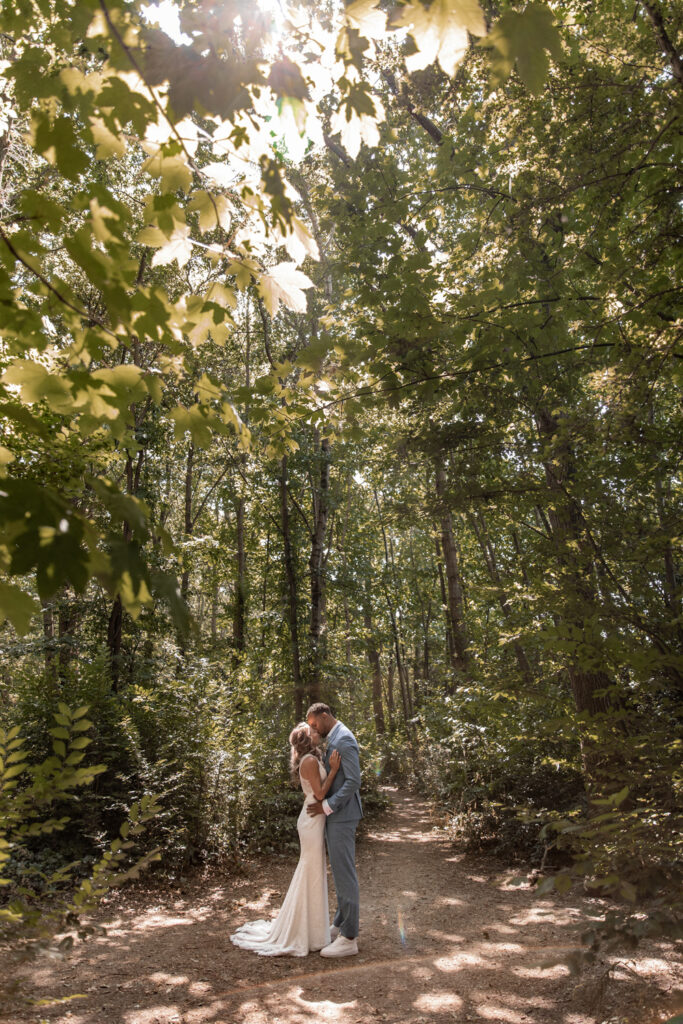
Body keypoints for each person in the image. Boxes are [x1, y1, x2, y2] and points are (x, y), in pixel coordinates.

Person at [229, 722, 341, 956]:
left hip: (315, 818)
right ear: (306, 739)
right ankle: (303, 931)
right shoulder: (309, 761)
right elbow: (320, 794)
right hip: (311, 820)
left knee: (314, 871)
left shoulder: (312, 758)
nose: (316, 731)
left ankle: (314, 931)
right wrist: (333, 770)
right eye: (312, 731)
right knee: (310, 871)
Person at [306, 701, 363, 958]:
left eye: (314, 724)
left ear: (325, 716)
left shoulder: (344, 739)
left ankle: (349, 937)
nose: (313, 729)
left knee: (345, 874)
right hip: (336, 817)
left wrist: (327, 806)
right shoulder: (335, 737)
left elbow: (353, 781)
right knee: (340, 873)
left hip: (342, 816)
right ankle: (340, 924)